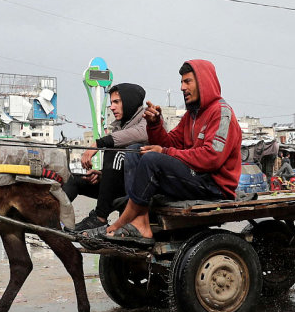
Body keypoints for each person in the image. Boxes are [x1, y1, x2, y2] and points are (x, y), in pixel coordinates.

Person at [99, 60, 241, 242]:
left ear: (203, 82)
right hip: (194, 177)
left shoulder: (221, 113)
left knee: (152, 159)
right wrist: (155, 125)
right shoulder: (192, 115)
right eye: (181, 82)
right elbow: (171, 142)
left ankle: (123, 219)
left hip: (213, 185)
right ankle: (139, 219)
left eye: (187, 81)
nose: (182, 87)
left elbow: (211, 158)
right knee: (136, 150)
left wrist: (164, 152)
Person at [65, 83, 148, 231]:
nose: (112, 107)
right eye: (111, 103)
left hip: (140, 187)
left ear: (130, 101)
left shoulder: (148, 118)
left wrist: (99, 143)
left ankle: (100, 218)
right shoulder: (119, 125)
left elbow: (140, 133)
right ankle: (52, 218)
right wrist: (103, 175)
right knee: (76, 180)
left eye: (117, 102)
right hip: (118, 186)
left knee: (113, 152)